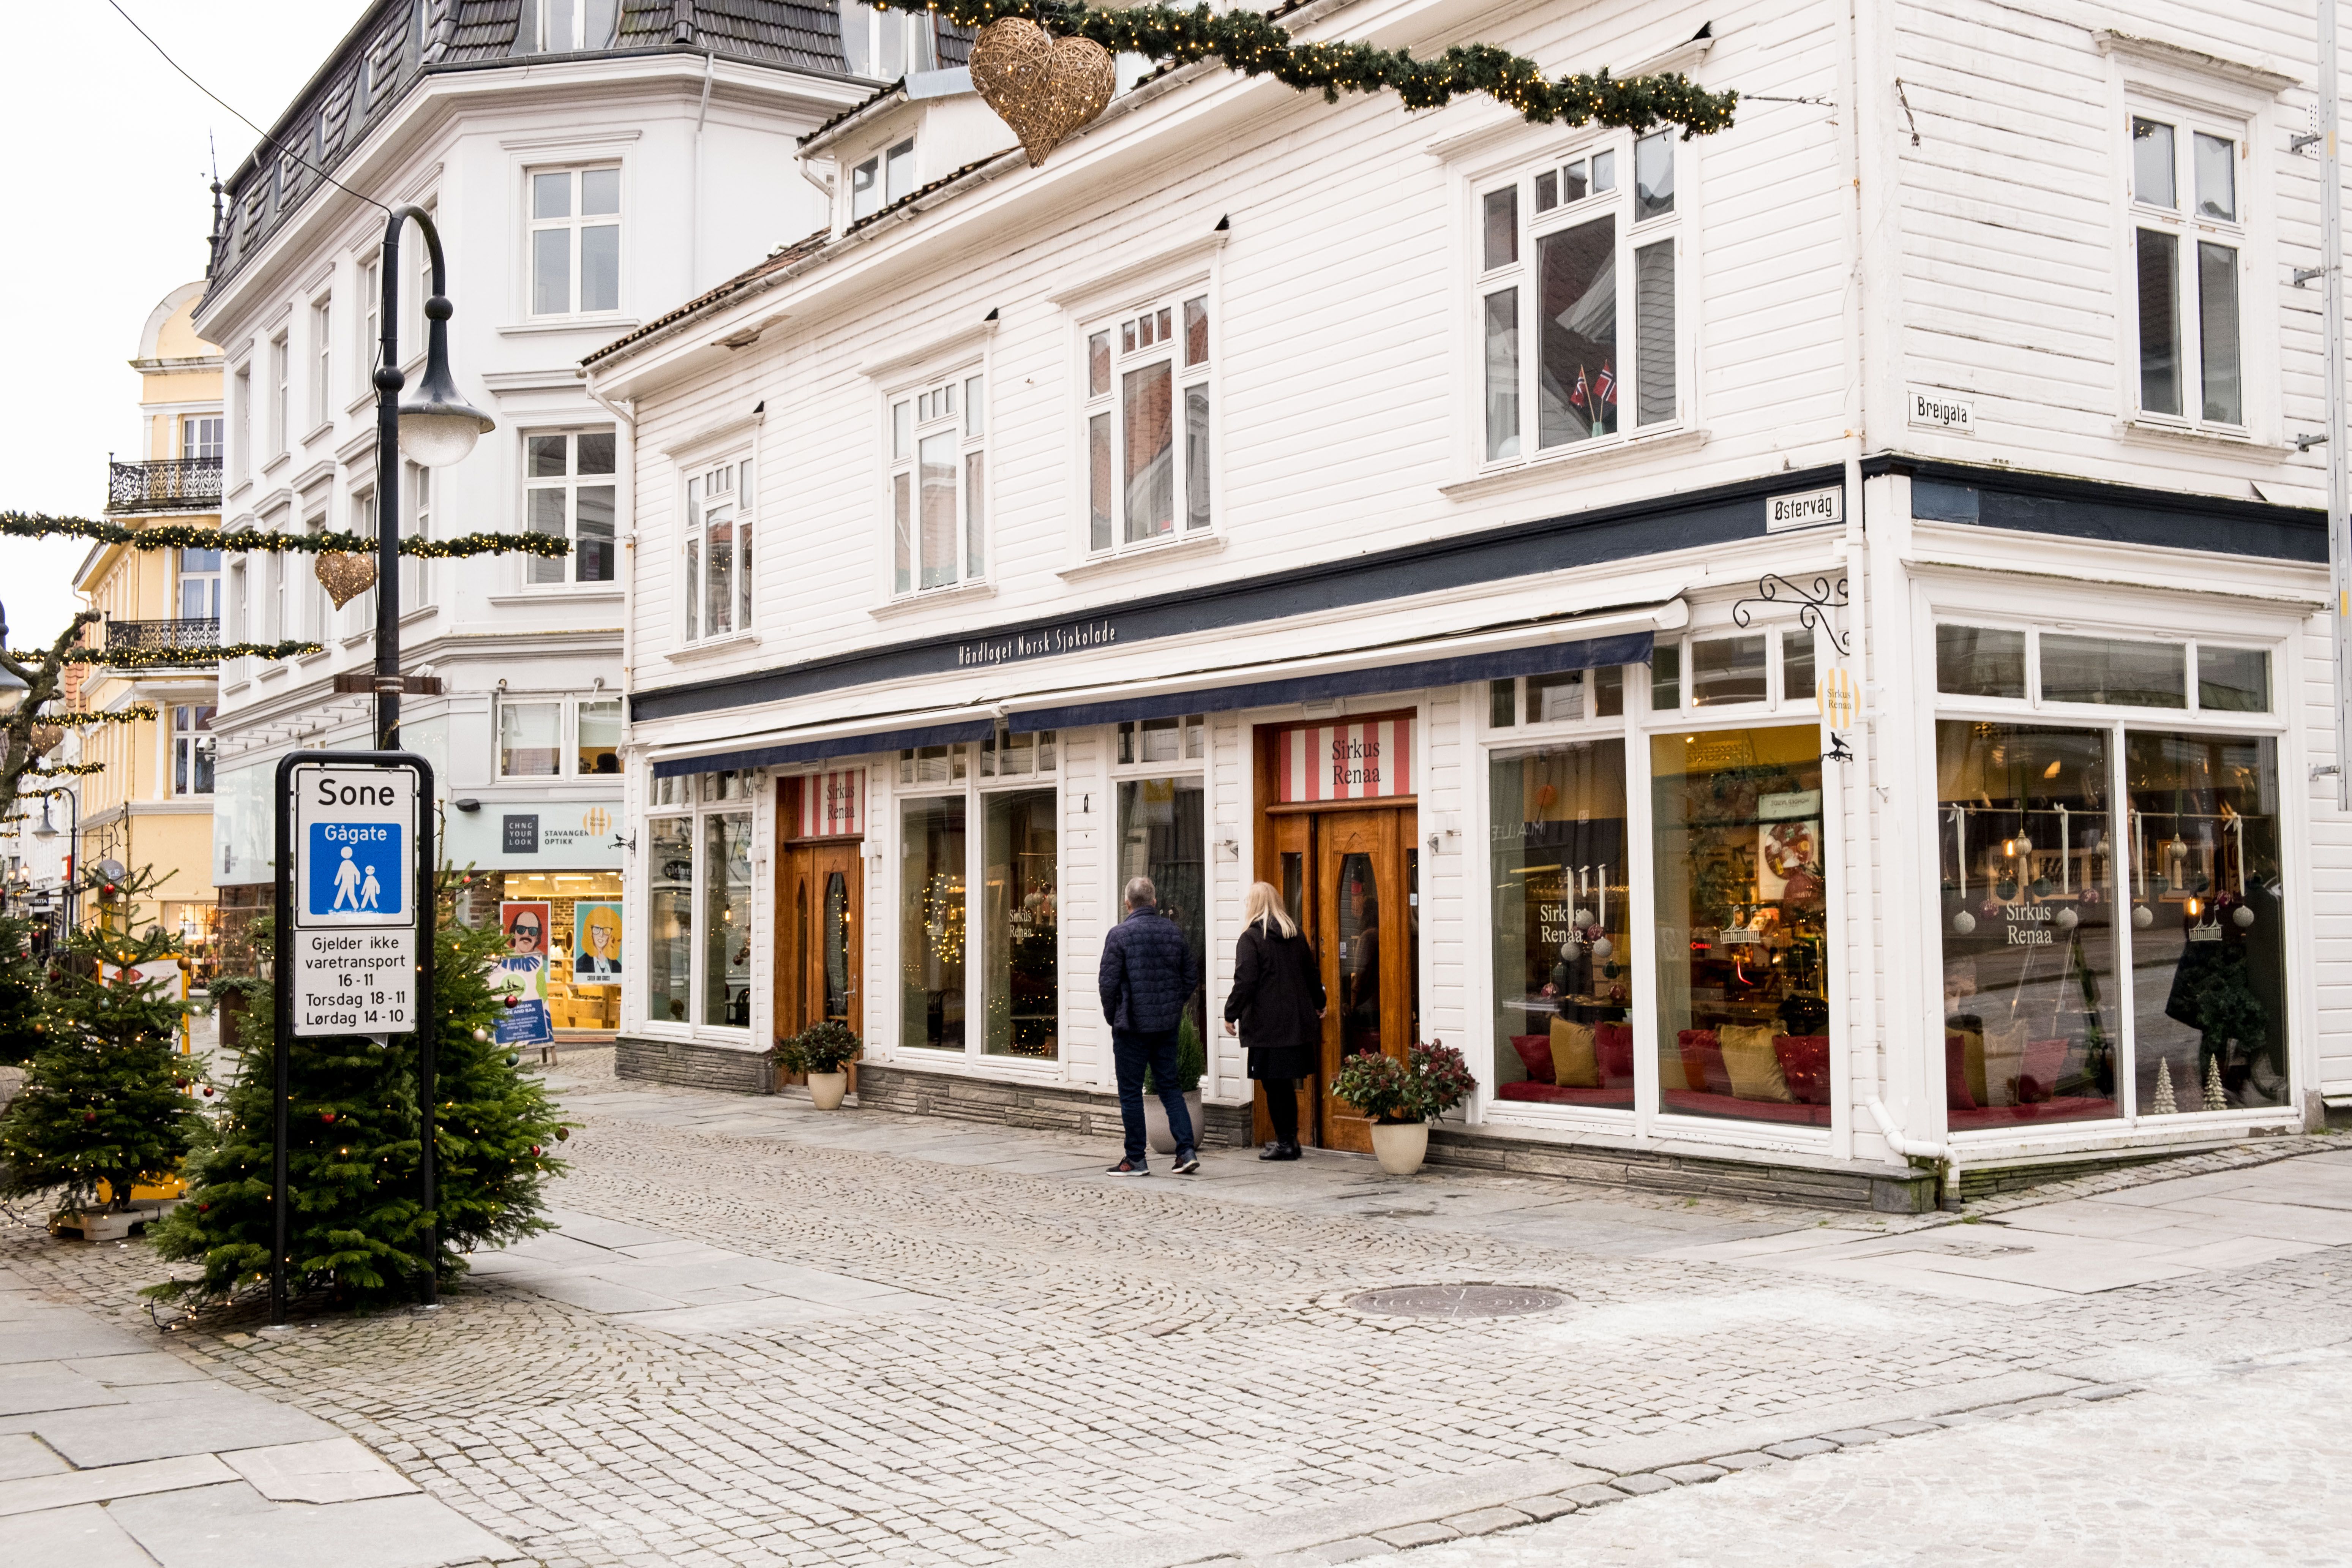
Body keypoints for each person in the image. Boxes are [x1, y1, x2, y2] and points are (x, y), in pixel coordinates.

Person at [1098, 875, 1201, 1176]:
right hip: (1166, 1025)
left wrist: (1114, 1016)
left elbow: (1107, 984)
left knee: (1131, 1092)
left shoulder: (1119, 935)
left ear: (1128, 904)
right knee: (1170, 1087)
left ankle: (1135, 1159)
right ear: (1154, 902)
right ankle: (1186, 1151)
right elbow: (1190, 977)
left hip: (1131, 1026)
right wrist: (1173, 1007)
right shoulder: (1173, 932)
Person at [1223, 881, 1324, 1161]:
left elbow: (1245, 981)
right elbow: (1311, 974)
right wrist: (1320, 1003)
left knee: (1274, 1084)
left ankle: (1286, 1142)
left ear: (1254, 905)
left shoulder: (1251, 939)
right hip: (1295, 1025)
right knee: (1283, 1084)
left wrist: (1231, 1013)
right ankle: (1289, 1139)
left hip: (1267, 1026)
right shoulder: (1296, 935)